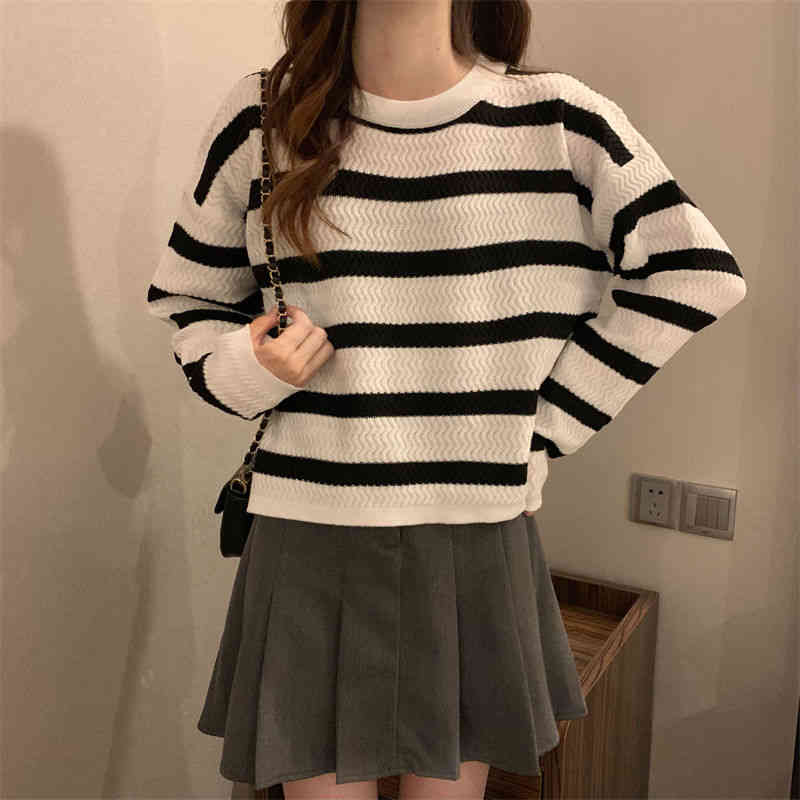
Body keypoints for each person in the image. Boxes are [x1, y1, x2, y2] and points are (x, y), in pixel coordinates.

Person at [145, 0, 747, 798]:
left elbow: (695, 274)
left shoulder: (560, 119)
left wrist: (542, 426)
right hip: (309, 528)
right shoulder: (264, 119)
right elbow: (189, 299)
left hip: (475, 533)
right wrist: (250, 367)